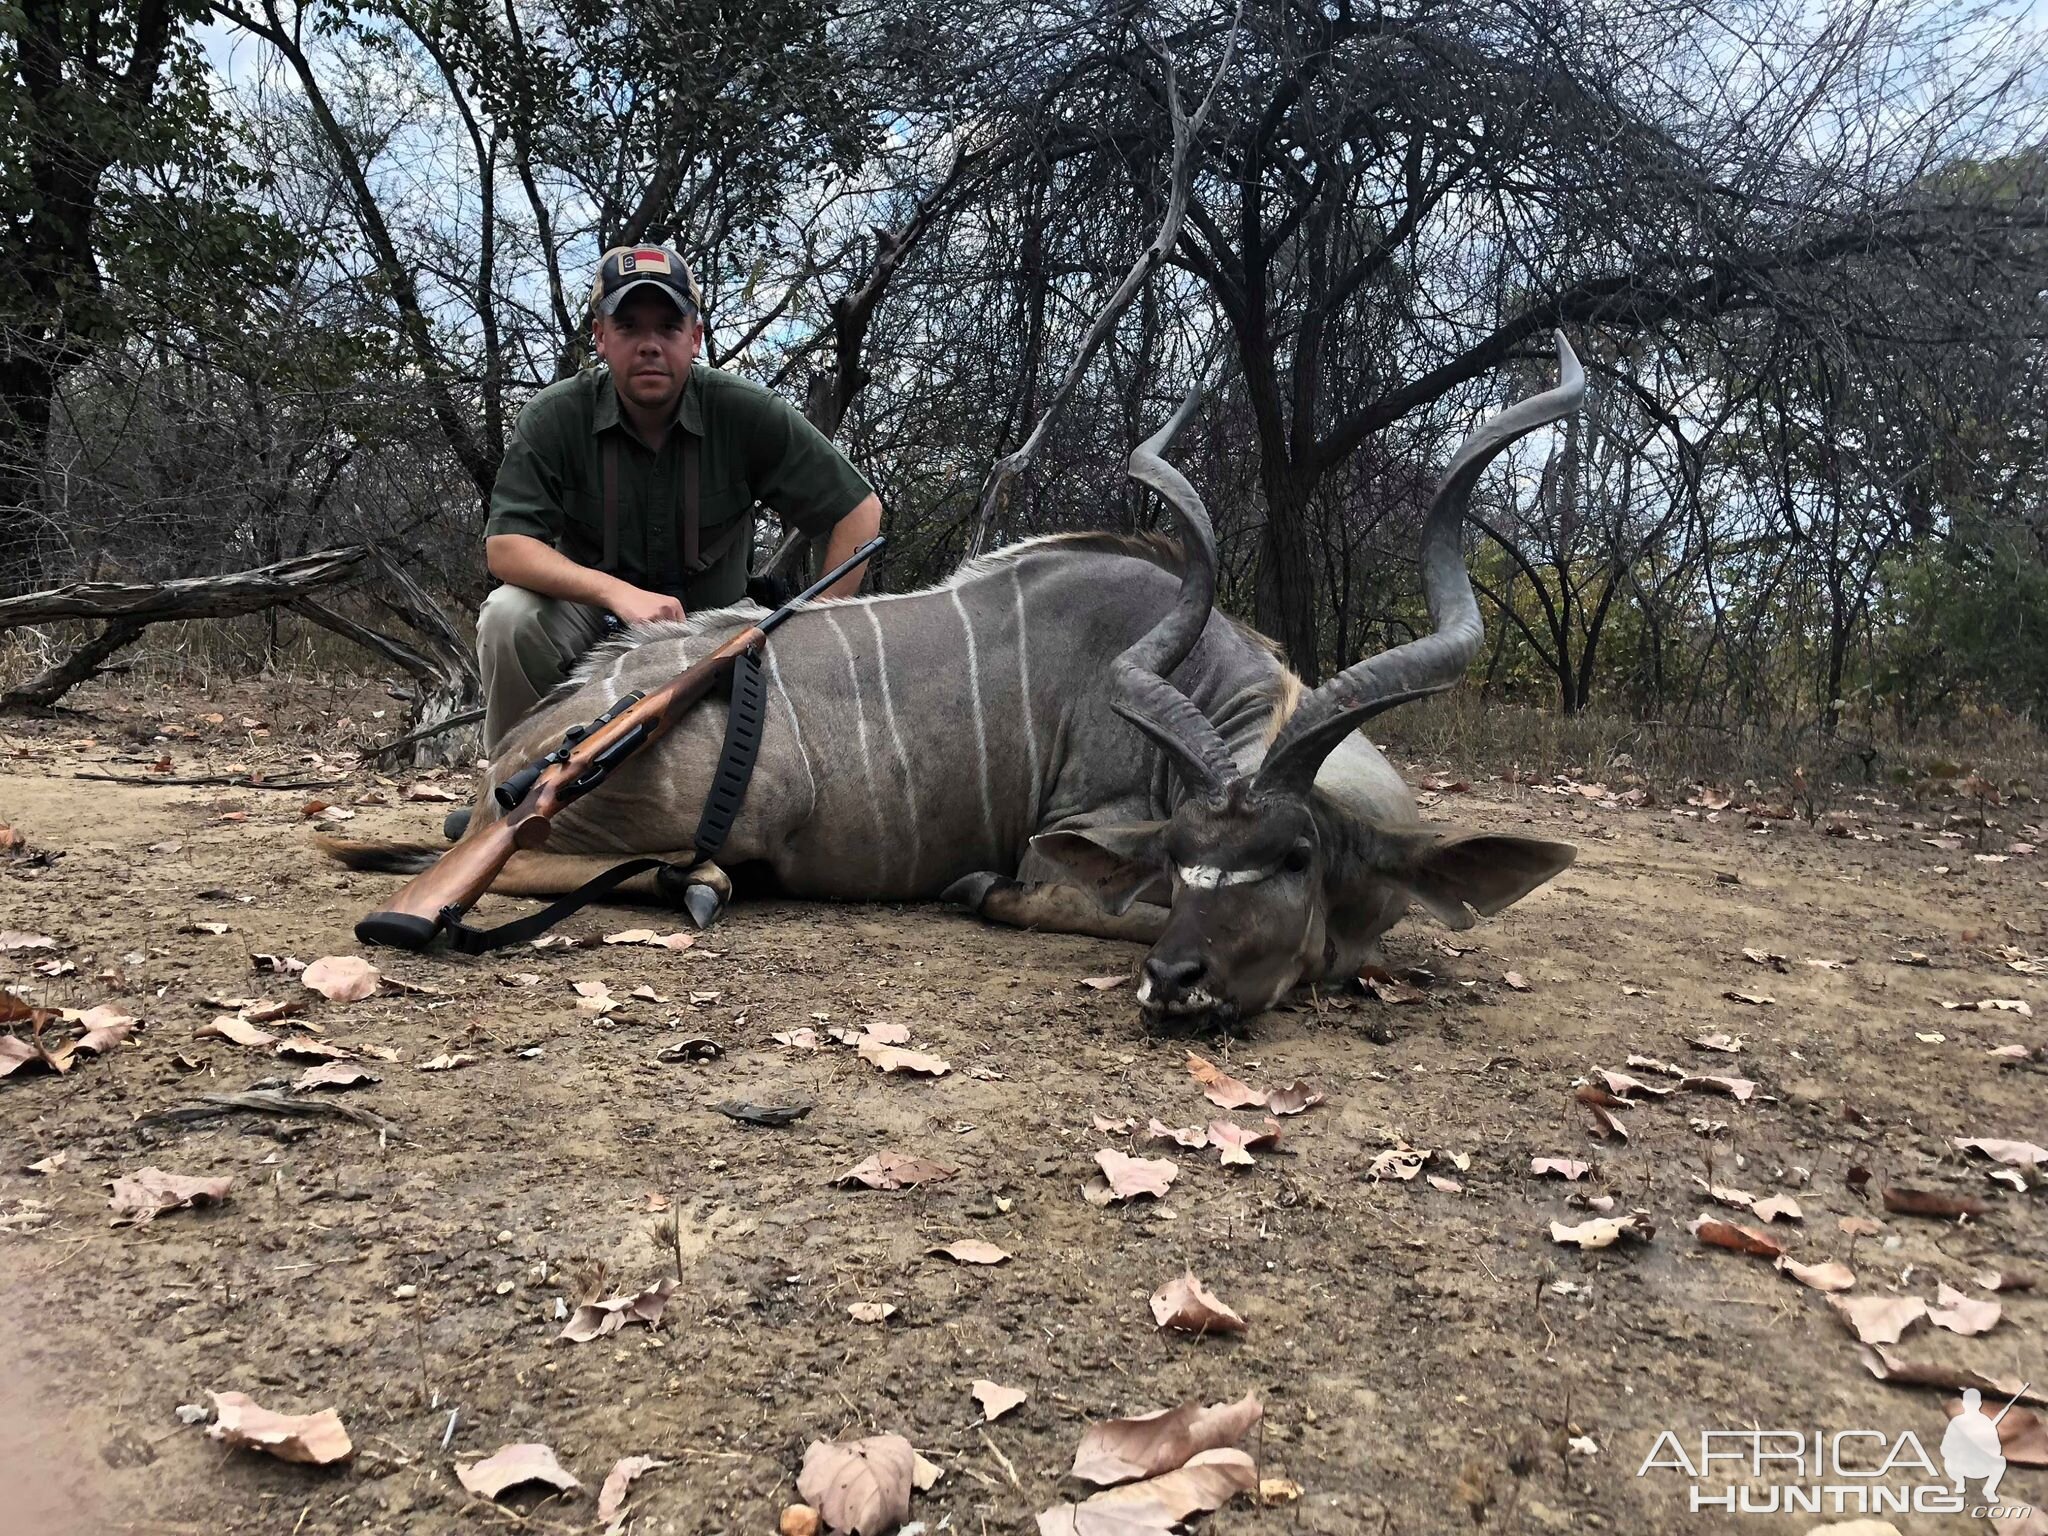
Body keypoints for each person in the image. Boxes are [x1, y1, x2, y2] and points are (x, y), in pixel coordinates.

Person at [475, 243, 882, 755]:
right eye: (628, 328)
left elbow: (859, 511)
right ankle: (511, 785)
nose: (650, 345)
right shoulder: (553, 416)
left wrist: (815, 630)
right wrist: (617, 594)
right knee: (509, 618)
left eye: (668, 328)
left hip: (718, 624)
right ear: (600, 337)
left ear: (695, 338)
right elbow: (507, 547)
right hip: (593, 615)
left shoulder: (745, 410)